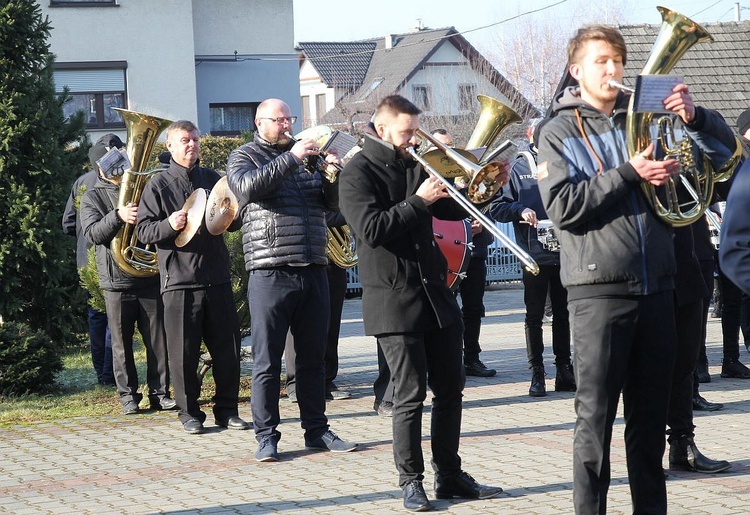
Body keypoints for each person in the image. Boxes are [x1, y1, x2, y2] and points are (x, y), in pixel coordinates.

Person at [536, 25, 738, 513]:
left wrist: (697, 119)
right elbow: (563, 207)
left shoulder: (647, 118)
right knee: (596, 426)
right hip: (598, 292)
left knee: (650, 425)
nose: (612, 70)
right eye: (601, 61)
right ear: (576, 70)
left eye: (618, 61)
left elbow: (725, 165)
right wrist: (629, 173)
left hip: (658, 289)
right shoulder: (558, 131)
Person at [339, 95, 503, 512]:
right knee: (409, 395)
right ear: (382, 128)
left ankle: (449, 474)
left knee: (452, 389)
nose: (415, 138)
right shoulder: (357, 171)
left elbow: (450, 206)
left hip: (436, 293)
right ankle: (411, 481)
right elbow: (372, 229)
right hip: (394, 299)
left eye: (416, 129)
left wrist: (481, 187)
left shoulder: (417, 163)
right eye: (407, 131)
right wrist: (419, 201)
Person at [225, 98, 357, 463]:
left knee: (312, 360)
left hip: (313, 267)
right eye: (278, 119)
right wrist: (293, 158)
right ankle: (266, 436)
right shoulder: (244, 156)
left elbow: (331, 208)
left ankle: (316, 430)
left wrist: (332, 173)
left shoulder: (308, 157)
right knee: (267, 360)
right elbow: (248, 189)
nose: (286, 125)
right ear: (259, 122)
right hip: (271, 270)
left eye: (289, 118)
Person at [136, 120, 248, 435]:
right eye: (185, 140)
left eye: (196, 140)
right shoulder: (157, 187)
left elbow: (229, 222)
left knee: (228, 350)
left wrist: (233, 216)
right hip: (179, 282)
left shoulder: (213, 179)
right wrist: (169, 224)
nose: (192, 145)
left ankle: (228, 410)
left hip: (217, 277)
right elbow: (144, 231)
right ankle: (190, 414)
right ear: (170, 146)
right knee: (183, 354)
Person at [79, 138, 175, 415]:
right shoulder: (92, 197)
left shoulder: (142, 190)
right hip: (116, 281)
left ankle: (160, 393)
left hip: (147, 277)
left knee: (158, 340)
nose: (119, 169)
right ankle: (128, 397)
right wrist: (119, 215)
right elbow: (93, 234)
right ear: (100, 168)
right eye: (111, 165)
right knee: (121, 344)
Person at [490, 120, 574, 397]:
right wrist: (520, 209)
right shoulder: (520, 166)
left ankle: (564, 369)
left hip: (566, 251)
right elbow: (497, 208)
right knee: (535, 315)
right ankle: (537, 373)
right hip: (534, 254)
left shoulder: (567, 163)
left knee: (564, 315)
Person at [431, 128, 496, 378]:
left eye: (450, 146)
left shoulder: (467, 175)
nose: (448, 151)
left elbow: (487, 209)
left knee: (473, 308)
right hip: (446, 252)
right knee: (447, 307)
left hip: (474, 252)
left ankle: (472, 358)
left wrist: (479, 227)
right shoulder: (431, 178)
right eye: (441, 146)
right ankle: (448, 358)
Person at [62, 134, 117, 387]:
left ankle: (102, 374)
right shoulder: (126, 179)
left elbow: (68, 224)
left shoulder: (82, 181)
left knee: (97, 317)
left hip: (88, 260)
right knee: (114, 316)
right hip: (114, 258)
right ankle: (110, 373)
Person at [284, 209, 352, 402]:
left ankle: (327, 380)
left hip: (332, 260)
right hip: (303, 255)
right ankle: (295, 383)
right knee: (297, 324)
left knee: (331, 322)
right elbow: (317, 211)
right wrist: (352, 212)